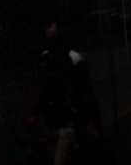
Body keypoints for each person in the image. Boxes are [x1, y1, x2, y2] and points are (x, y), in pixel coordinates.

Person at [30, 23, 100, 165]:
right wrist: (33, 113)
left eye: (54, 37)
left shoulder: (74, 60)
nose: (51, 42)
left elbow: (86, 93)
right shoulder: (45, 59)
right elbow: (40, 88)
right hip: (50, 123)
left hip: (69, 123)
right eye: (48, 38)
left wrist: (93, 123)